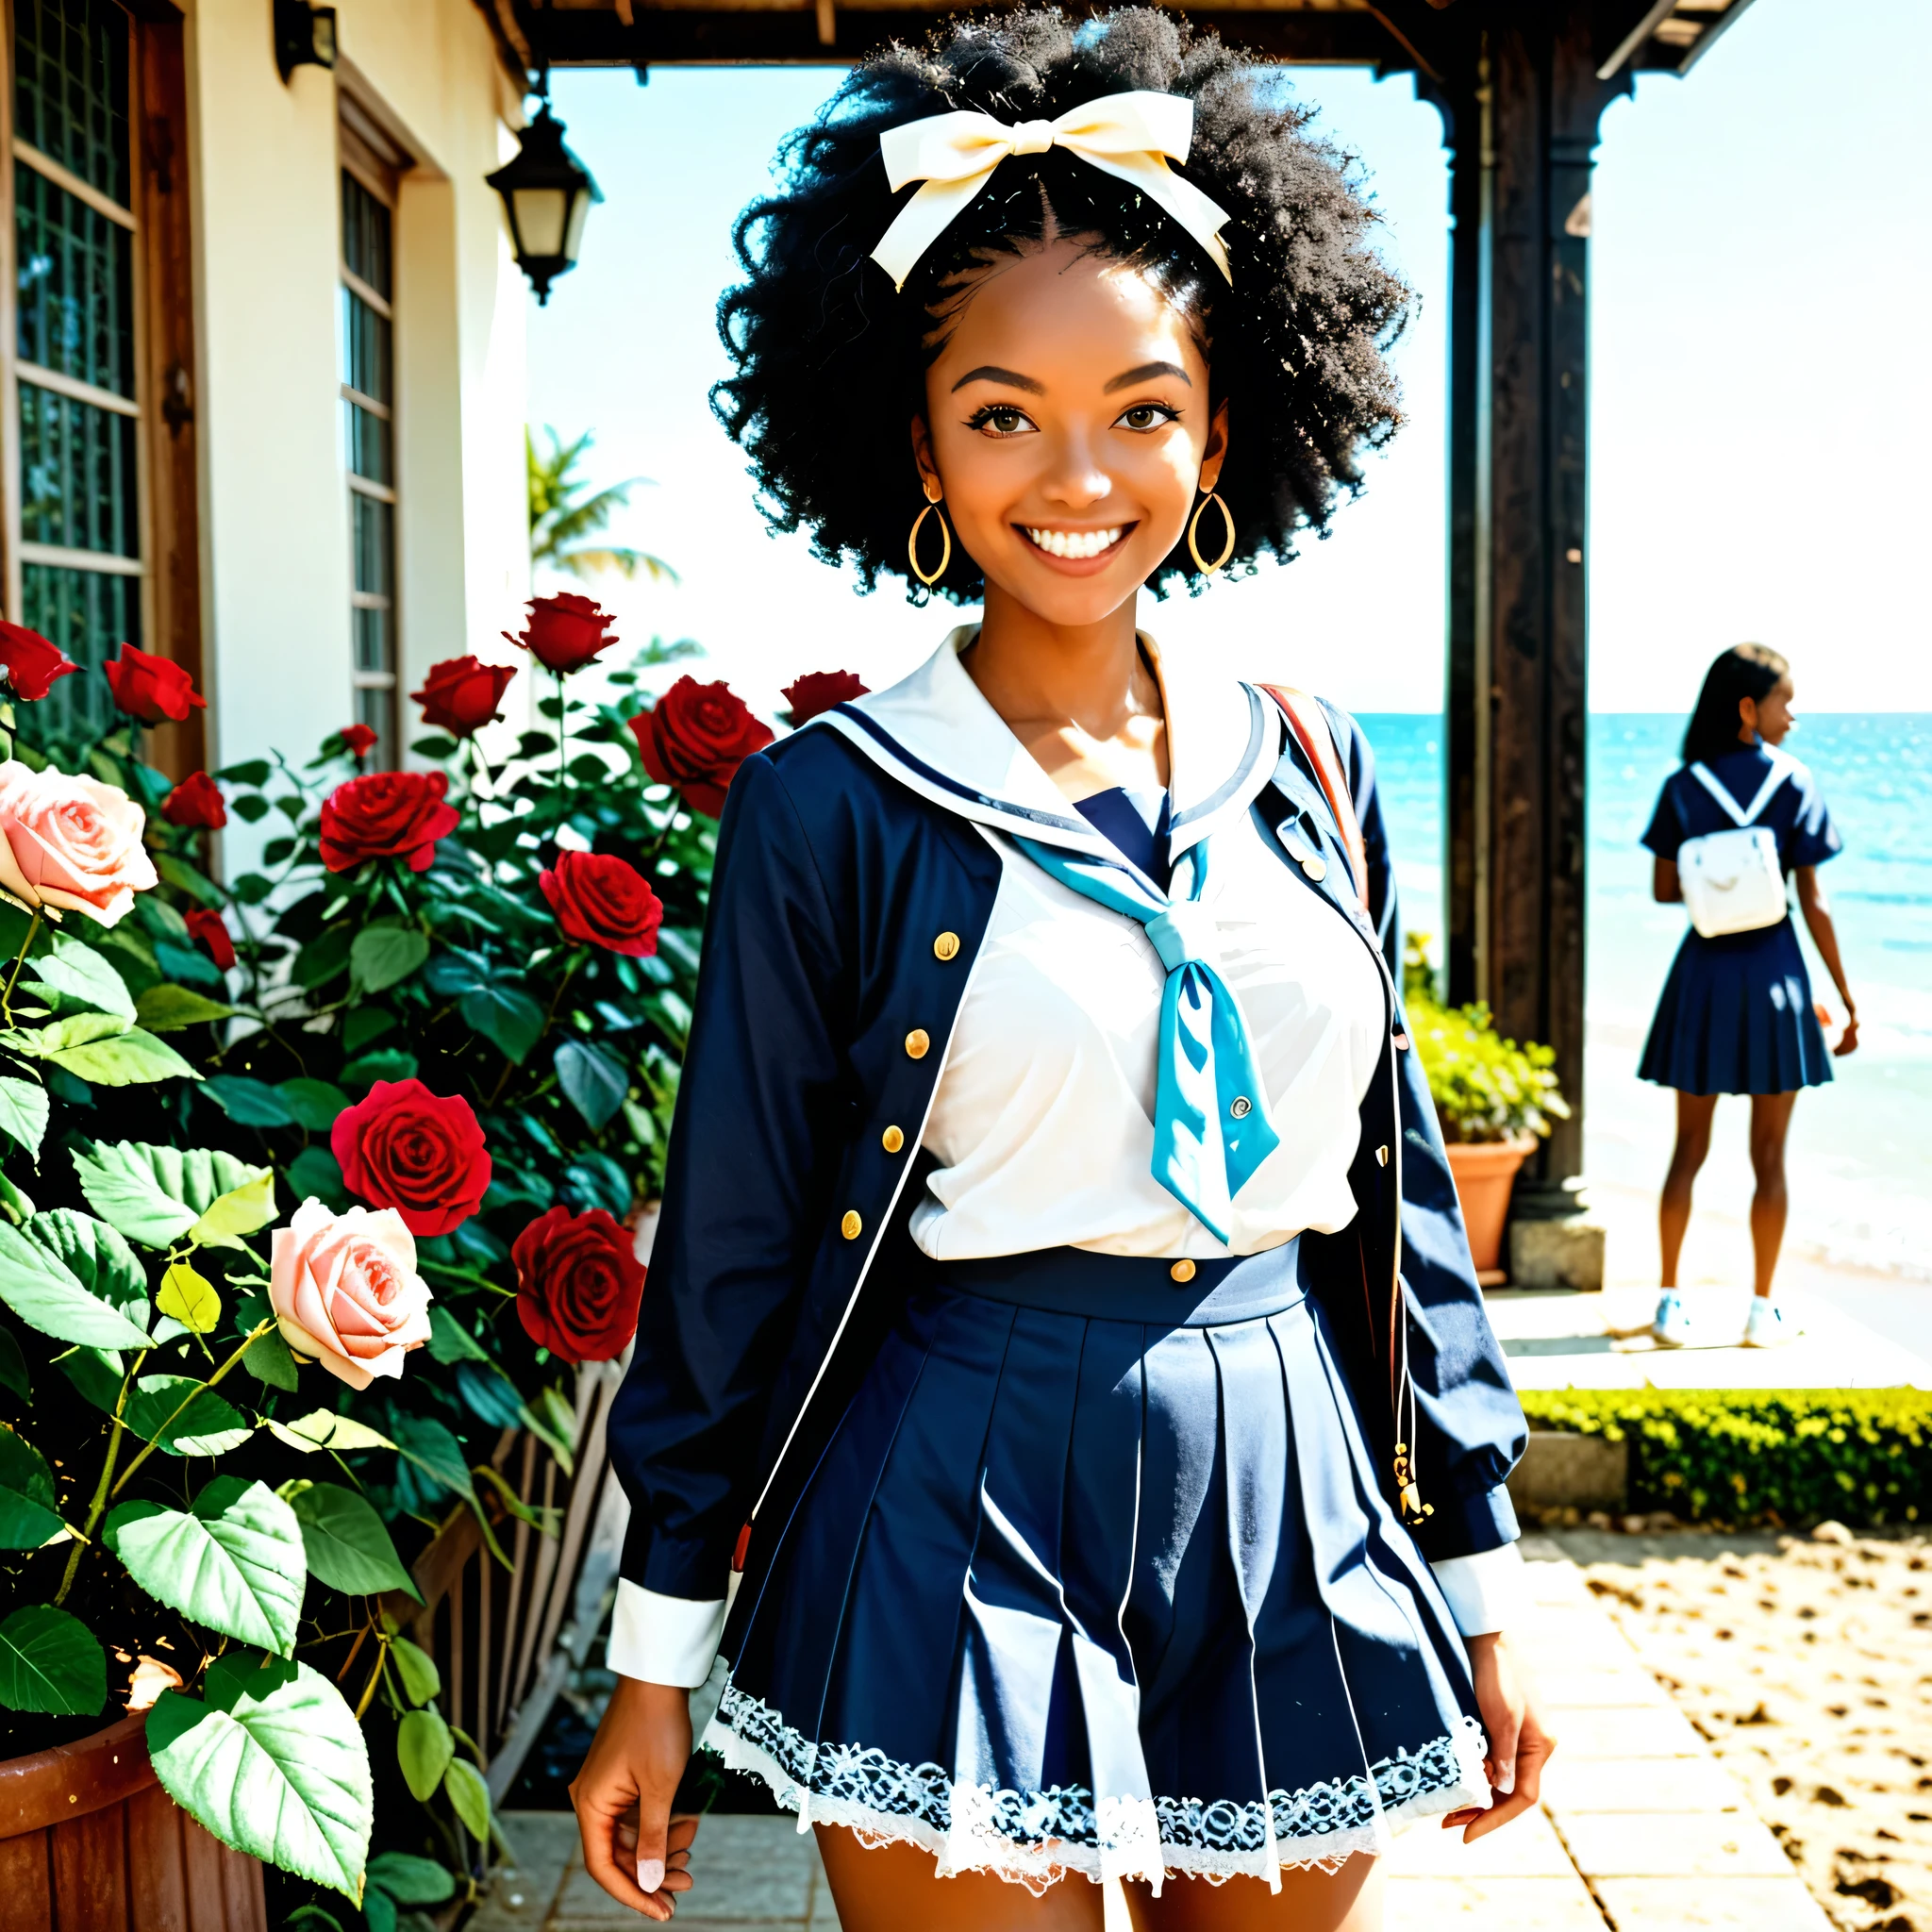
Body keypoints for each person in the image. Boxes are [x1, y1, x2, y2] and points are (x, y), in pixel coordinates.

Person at [571, 14, 1550, 1927]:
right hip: (953, 1479)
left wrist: (1482, 1581)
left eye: (1143, 406)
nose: (1077, 472)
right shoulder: (828, 809)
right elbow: (732, 1256)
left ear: (1226, 422)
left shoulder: (1319, 761)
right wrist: (651, 1671)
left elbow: (1404, 1204)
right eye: (1003, 409)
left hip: (1290, 1479)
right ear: (913, 441)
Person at [1641, 644, 1857, 1349]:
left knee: (1687, 1150)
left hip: (1703, 976)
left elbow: (1665, 889)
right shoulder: (1796, 784)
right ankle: (1763, 1311)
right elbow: (1813, 903)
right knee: (1771, 1158)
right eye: (1784, 702)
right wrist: (1845, 999)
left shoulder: (1683, 785)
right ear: (1747, 708)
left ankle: (1670, 1304)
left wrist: (1720, 878)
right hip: (1775, 977)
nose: (1792, 717)